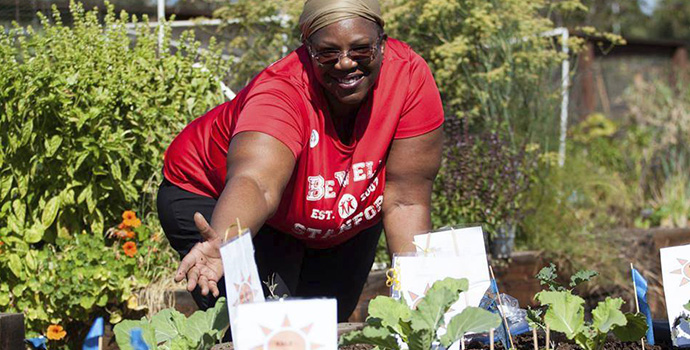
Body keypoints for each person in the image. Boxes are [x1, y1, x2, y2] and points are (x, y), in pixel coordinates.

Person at [156, 0, 444, 323]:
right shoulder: (282, 92)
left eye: (361, 50)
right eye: (328, 53)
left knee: (327, 323)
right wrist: (225, 243)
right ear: (307, 48)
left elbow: (406, 201)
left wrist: (422, 310)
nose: (346, 63)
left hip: (328, 202)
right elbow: (257, 184)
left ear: (382, 41)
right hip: (216, 196)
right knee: (269, 327)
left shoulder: (409, 79)